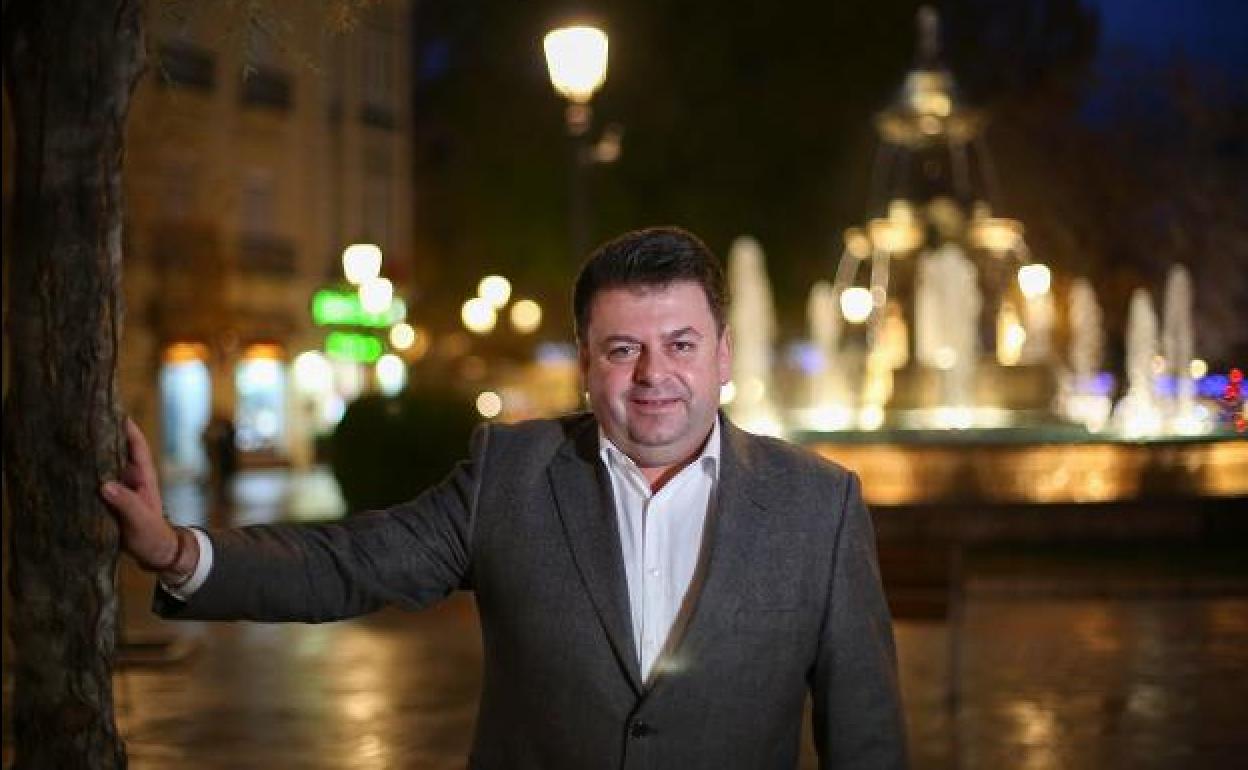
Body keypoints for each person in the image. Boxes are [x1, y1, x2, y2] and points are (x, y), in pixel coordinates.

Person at [104, 226, 908, 769]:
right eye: (621, 349)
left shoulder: (820, 505)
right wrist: (176, 550)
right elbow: (349, 563)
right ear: (586, 364)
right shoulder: (512, 474)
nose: (653, 374)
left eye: (681, 344)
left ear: (724, 355)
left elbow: (866, 736)